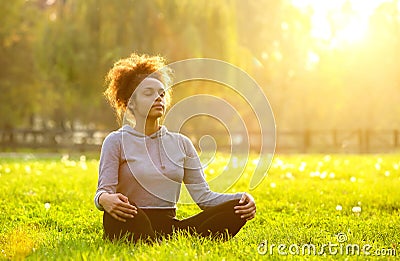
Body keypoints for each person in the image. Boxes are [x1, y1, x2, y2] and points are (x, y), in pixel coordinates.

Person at [94, 53, 256, 243]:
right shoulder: (115, 141)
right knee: (131, 218)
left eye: (161, 94)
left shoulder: (181, 143)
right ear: (131, 102)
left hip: (169, 226)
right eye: (149, 93)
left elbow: (204, 197)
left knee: (237, 207)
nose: (158, 98)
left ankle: (155, 240)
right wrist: (105, 200)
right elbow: (103, 191)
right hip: (129, 218)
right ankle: (149, 238)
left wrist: (243, 198)